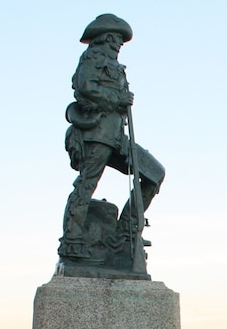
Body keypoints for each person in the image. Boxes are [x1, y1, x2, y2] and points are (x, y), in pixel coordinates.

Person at [60, 14, 165, 262]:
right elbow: (84, 87)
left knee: (154, 175)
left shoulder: (114, 65)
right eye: (116, 39)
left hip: (116, 135)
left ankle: (125, 233)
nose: (119, 45)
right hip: (96, 132)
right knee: (87, 184)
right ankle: (72, 241)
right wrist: (117, 99)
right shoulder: (93, 59)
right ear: (105, 39)